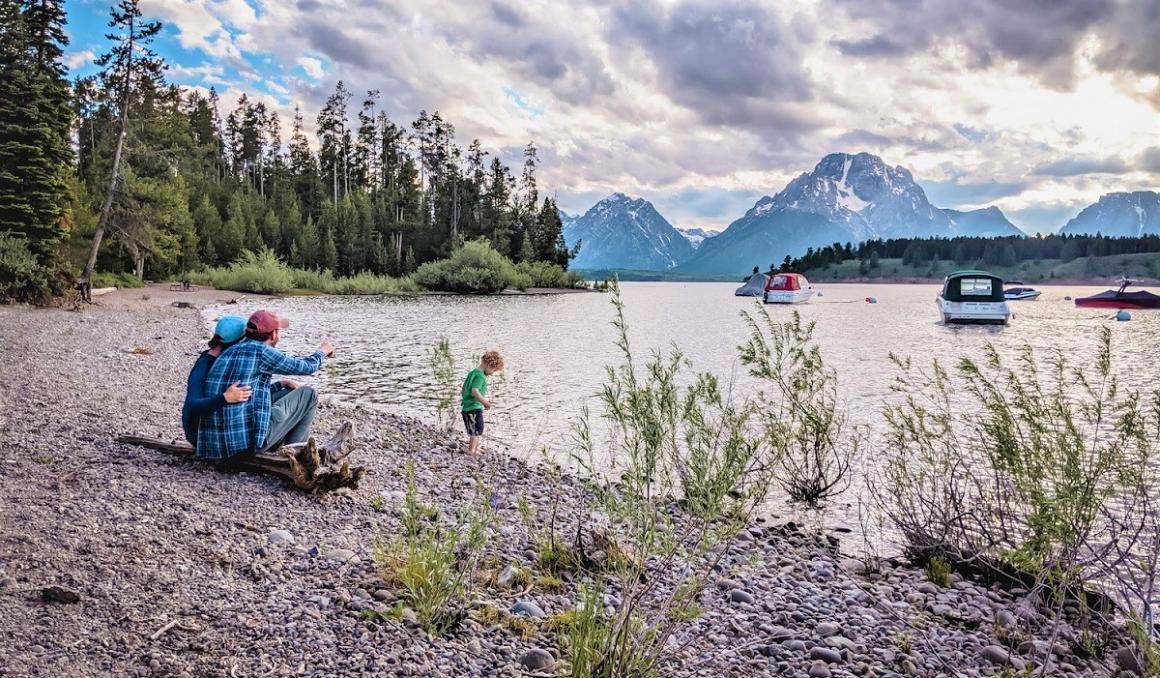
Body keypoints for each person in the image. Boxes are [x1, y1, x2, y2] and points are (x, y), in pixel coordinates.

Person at [196, 310, 334, 461]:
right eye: (278, 331)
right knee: (309, 395)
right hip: (242, 449)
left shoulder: (230, 350)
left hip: (213, 446)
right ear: (273, 334)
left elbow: (246, 392)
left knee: (286, 391)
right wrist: (323, 351)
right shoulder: (262, 351)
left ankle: (284, 445)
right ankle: (296, 457)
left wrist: (280, 384)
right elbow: (306, 367)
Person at [181, 315, 252, 445]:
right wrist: (225, 398)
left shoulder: (226, 360)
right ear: (238, 342)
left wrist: (280, 384)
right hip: (199, 434)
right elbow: (193, 403)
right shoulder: (204, 365)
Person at [460, 351, 505, 456]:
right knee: (475, 431)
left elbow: (464, 387)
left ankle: (476, 448)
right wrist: (485, 402)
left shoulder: (473, 372)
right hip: (473, 408)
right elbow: (474, 391)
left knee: (476, 429)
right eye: (493, 370)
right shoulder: (480, 376)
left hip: (467, 407)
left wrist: (465, 398)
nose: (492, 373)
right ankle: (472, 451)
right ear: (489, 365)